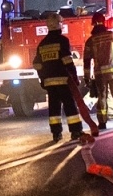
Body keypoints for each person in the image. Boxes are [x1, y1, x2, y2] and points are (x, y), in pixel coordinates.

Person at [35, 12, 83, 142]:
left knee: (54, 107)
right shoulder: (63, 40)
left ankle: (56, 134)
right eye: (61, 23)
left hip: (49, 82)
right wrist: (74, 76)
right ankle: (76, 131)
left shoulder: (43, 44)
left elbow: (37, 64)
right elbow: (67, 60)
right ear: (58, 25)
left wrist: (43, 79)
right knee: (69, 105)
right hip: (63, 80)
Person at [84, 14, 113, 129]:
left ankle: (102, 123)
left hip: (100, 74)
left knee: (102, 97)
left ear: (93, 23)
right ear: (104, 22)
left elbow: (87, 61)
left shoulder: (90, 41)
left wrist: (87, 77)